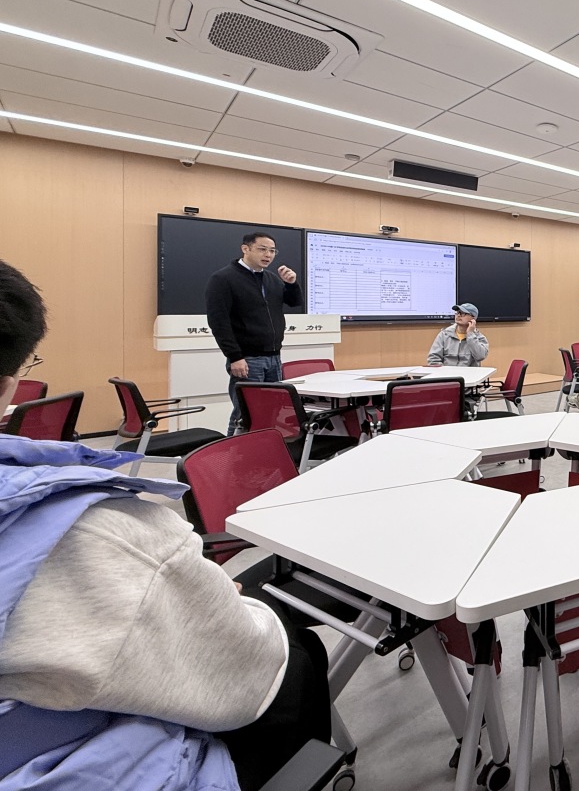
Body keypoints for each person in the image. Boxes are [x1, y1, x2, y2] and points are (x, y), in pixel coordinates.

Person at [0, 259, 331, 790]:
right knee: (295, 653)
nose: (271, 255)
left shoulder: (273, 283)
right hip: (96, 763)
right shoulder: (102, 531)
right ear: (9, 383)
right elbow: (245, 675)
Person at [205, 232, 302, 435]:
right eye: (262, 249)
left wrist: (292, 284)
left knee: (271, 412)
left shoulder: (271, 279)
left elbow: (294, 302)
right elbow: (218, 322)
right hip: (247, 359)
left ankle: (261, 450)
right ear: (245, 249)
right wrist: (235, 356)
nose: (268, 255)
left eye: (272, 251)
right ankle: (233, 452)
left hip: (274, 357)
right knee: (245, 414)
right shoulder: (224, 278)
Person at [427, 302, 489, 367]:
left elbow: (480, 357)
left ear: (473, 318)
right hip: (447, 372)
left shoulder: (479, 338)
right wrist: (444, 371)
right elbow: (433, 358)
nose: (458, 315)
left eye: (463, 313)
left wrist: (470, 334)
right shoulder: (444, 334)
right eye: (457, 313)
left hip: (469, 373)